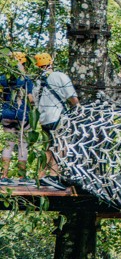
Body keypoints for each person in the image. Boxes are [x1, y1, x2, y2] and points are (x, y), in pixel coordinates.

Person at [29, 52, 77, 185]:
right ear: (51, 62)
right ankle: (54, 175)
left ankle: (41, 175)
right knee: (61, 146)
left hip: (44, 119)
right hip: (58, 116)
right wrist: (78, 108)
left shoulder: (38, 82)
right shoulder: (59, 76)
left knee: (49, 147)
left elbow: (34, 101)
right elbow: (72, 97)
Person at [0, 52, 33, 179]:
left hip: (8, 114)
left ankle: (4, 175)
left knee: (8, 144)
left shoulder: (3, 78)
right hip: (22, 115)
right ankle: (21, 176)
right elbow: (30, 98)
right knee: (22, 144)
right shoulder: (26, 79)